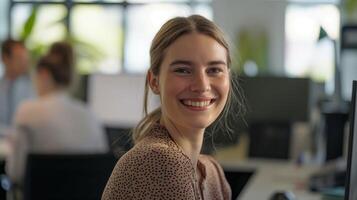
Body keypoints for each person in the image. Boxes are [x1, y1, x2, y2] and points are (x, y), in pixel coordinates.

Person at [102, 15, 242, 200]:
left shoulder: (212, 172)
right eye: (183, 70)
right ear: (154, 81)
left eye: (214, 70)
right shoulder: (158, 161)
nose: (202, 85)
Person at [6, 41, 109, 186]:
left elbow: (15, 172)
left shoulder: (26, 111)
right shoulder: (90, 115)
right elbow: (101, 170)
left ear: (43, 74)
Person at [0, 39, 34, 134]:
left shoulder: (34, 87)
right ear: (4, 58)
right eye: (19, 58)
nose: (24, 63)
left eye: (25, 58)